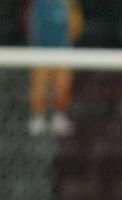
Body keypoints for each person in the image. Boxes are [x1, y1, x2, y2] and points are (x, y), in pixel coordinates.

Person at [26, 0, 83, 137]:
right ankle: (38, 116)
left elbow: (76, 26)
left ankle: (59, 115)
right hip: (40, 52)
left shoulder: (68, 3)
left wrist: (66, 42)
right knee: (39, 86)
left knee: (62, 85)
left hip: (61, 51)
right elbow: (30, 24)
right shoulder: (36, 3)